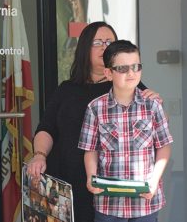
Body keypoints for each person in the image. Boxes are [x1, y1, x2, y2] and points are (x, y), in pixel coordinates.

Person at [27, 21, 161, 222]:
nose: (105, 46)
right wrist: (39, 155)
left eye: (109, 41)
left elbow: (157, 128)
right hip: (65, 184)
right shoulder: (67, 88)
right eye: (97, 42)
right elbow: (46, 128)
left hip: (108, 187)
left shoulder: (129, 85)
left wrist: (157, 104)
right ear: (84, 48)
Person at [78, 40, 173, 221]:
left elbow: (164, 147)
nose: (131, 73)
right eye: (122, 68)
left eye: (136, 67)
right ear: (108, 73)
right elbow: (90, 149)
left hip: (146, 200)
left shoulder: (153, 106)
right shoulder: (95, 108)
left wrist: (154, 181)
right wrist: (91, 177)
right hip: (108, 203)